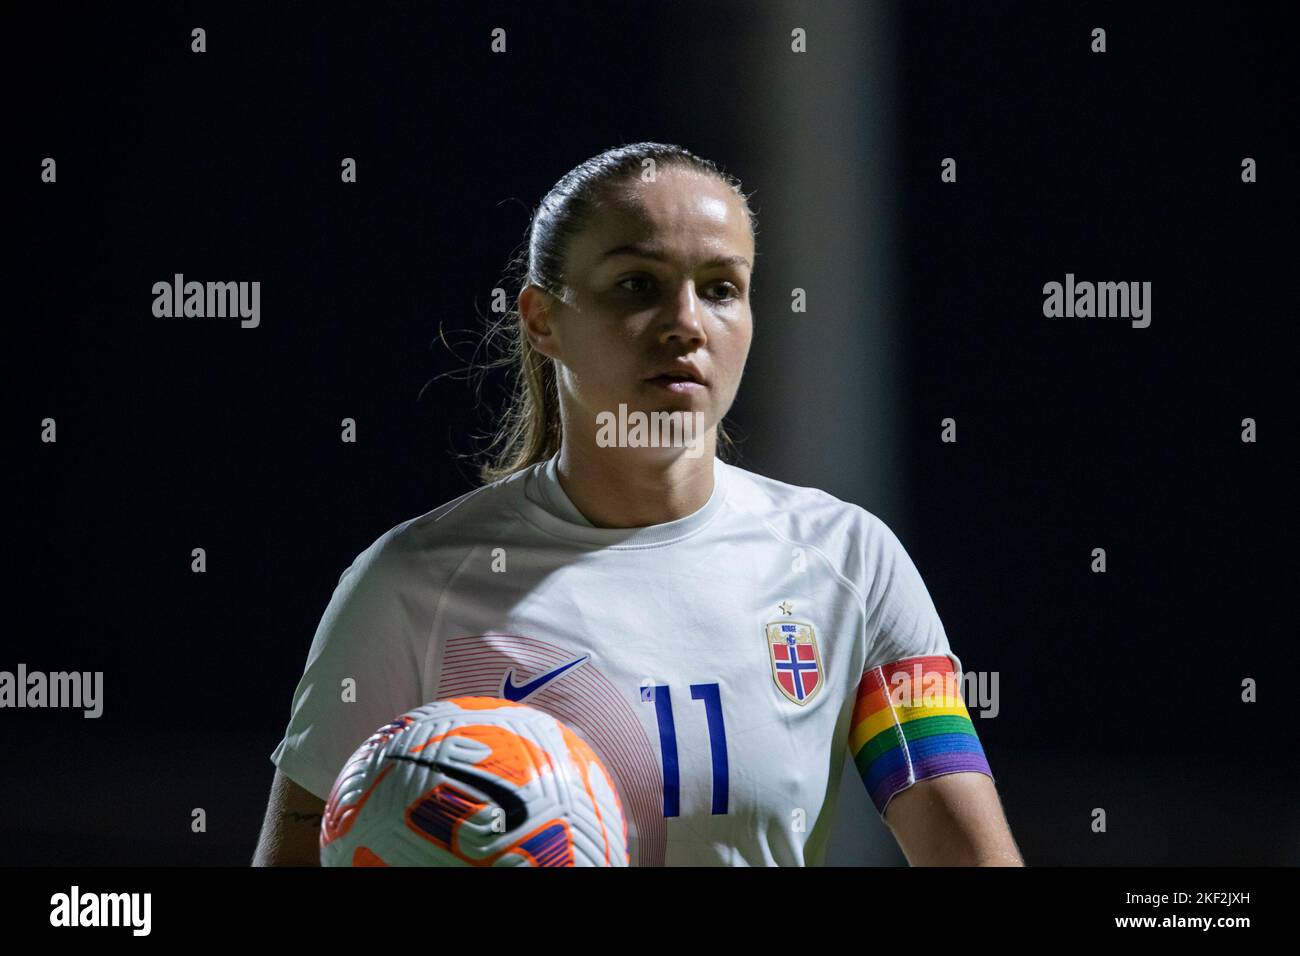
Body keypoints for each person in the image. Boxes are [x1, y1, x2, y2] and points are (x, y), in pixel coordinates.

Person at [253, 142, 1023, 866]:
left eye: (722, 289)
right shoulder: (410, 584)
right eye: (637, 285)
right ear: (542, 319)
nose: (687, 323)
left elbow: (968, 852)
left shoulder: (849, 561)